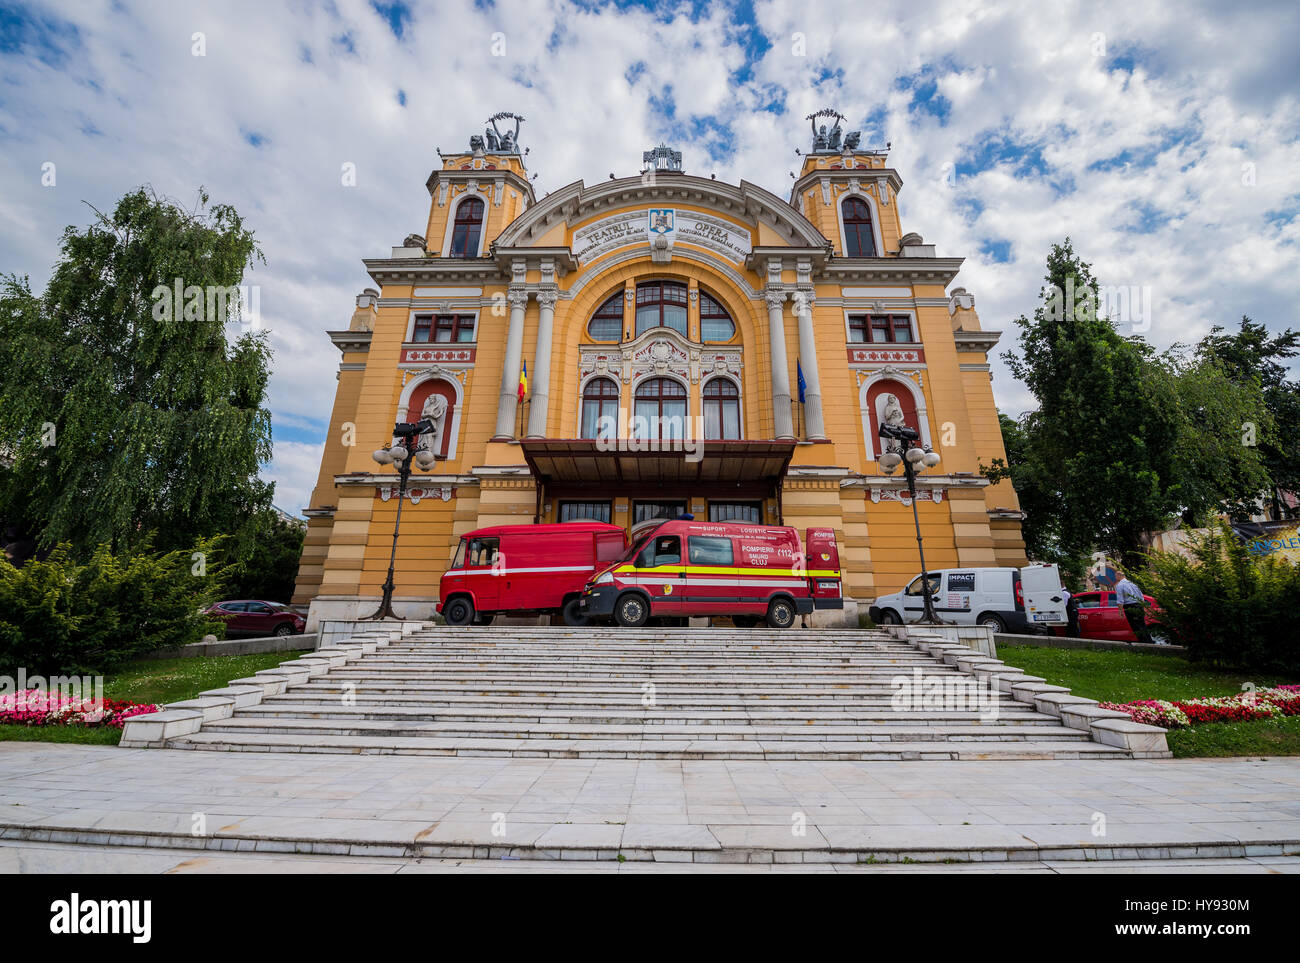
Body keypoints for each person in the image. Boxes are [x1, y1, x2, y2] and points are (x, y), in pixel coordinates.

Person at [1114, 571, 1151, 644]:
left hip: (1130, 607)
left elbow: (1120, 600)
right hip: (1139, 605)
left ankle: (1145, 644)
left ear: (1119, 576)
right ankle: (1149, 643)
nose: (1115, 578)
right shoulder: (1133, 584)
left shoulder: (1120, 585)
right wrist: (1142, 607)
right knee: (1142, 626)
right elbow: (1141, 597)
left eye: (1115, 576)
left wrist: (1120, 611)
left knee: (1136, 627)